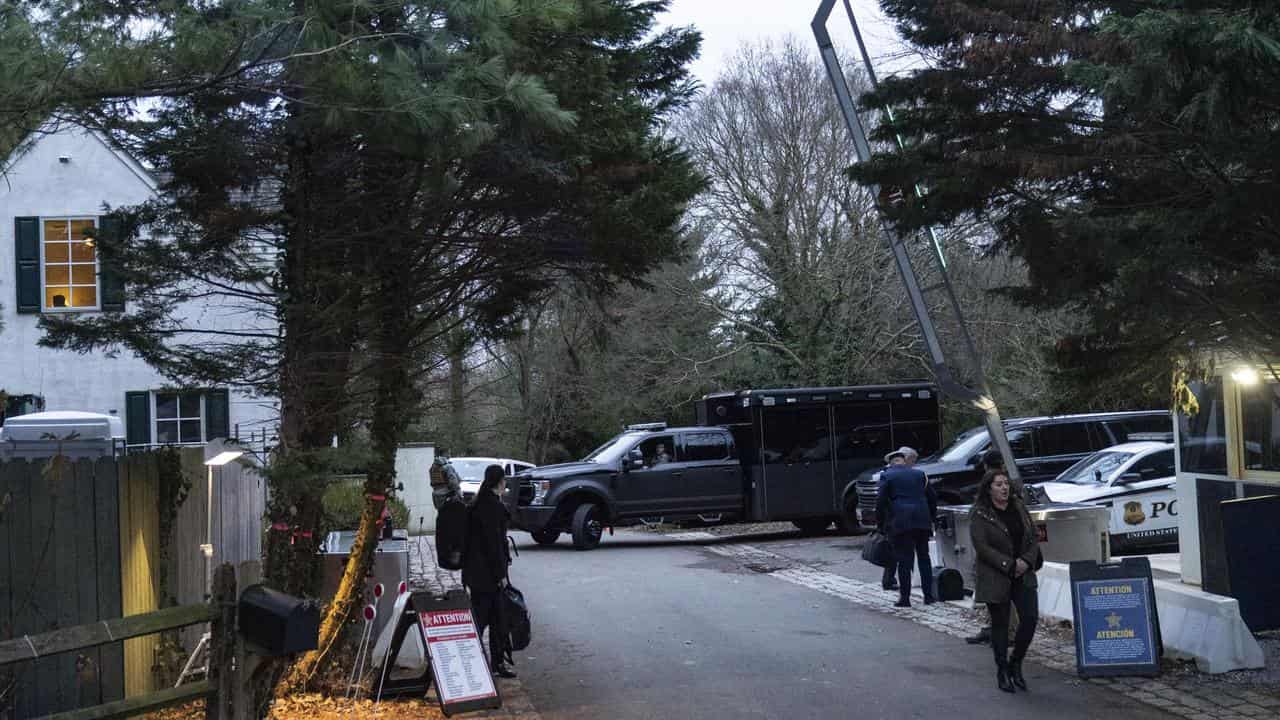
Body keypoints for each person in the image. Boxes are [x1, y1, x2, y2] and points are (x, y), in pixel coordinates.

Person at [970, 468, 1041, 692]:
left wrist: (1025, 562)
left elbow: (1033, 537)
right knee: (1000, 625)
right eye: (998, 484)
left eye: (1006, 484)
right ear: (988, 488)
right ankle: (1002, 670)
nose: (1004, 488)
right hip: (996, 574)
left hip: (1023, 572)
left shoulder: (1018, 506)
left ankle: (1015, 663)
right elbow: (982, 546)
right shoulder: (980, 513)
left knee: (1029, 618)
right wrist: (1008, 565)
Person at [462, 464, 517, 678]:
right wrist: (501, 575)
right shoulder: (491, 507)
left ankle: (493, 663)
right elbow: (493, 544)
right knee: (487, 619)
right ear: (500, 481)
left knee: (493, 619)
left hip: (476, 573)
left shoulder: (478, 503)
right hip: (488, 574)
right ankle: (482, 662)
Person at [876, 446, 937, 607]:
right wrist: (932, 518)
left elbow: (881, 501)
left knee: (904, 560)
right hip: (922, 520)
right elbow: (932, 497)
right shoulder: (920, 474)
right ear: (904, 461)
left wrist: (880, 524)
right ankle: (928, 596)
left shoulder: (886, 476)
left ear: (891, 463)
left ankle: (905, 598)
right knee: (924, 558)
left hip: (900, 522)